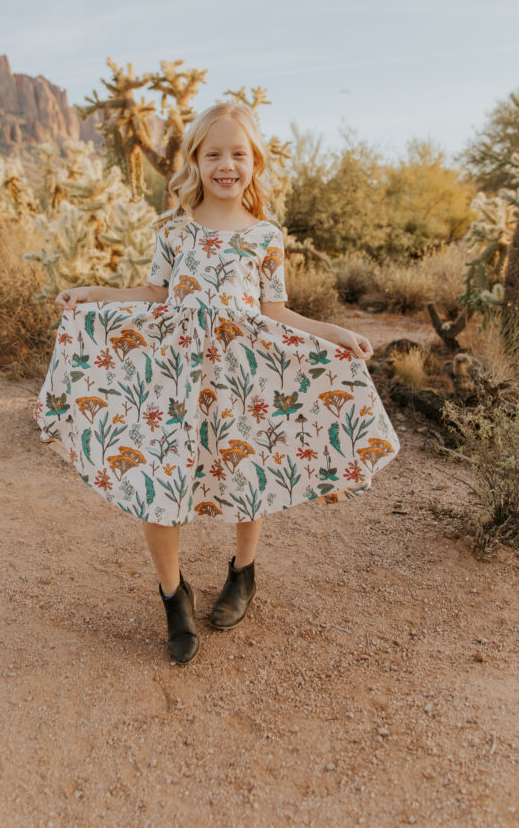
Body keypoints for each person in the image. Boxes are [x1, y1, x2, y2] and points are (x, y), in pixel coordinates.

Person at [33, 101, 401, 666]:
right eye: (213, 154)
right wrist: (93, 295)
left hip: (241, 376)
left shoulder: (265, 236)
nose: (226, 164)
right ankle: (172, 595)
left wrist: (335, 334)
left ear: (254, 161)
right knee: (159, 479)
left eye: (238, 153)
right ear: (196, 163)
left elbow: (278, 311)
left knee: (245, 470)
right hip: (173, 380)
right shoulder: (175, 231)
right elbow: (155, 295)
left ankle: (243, 572)